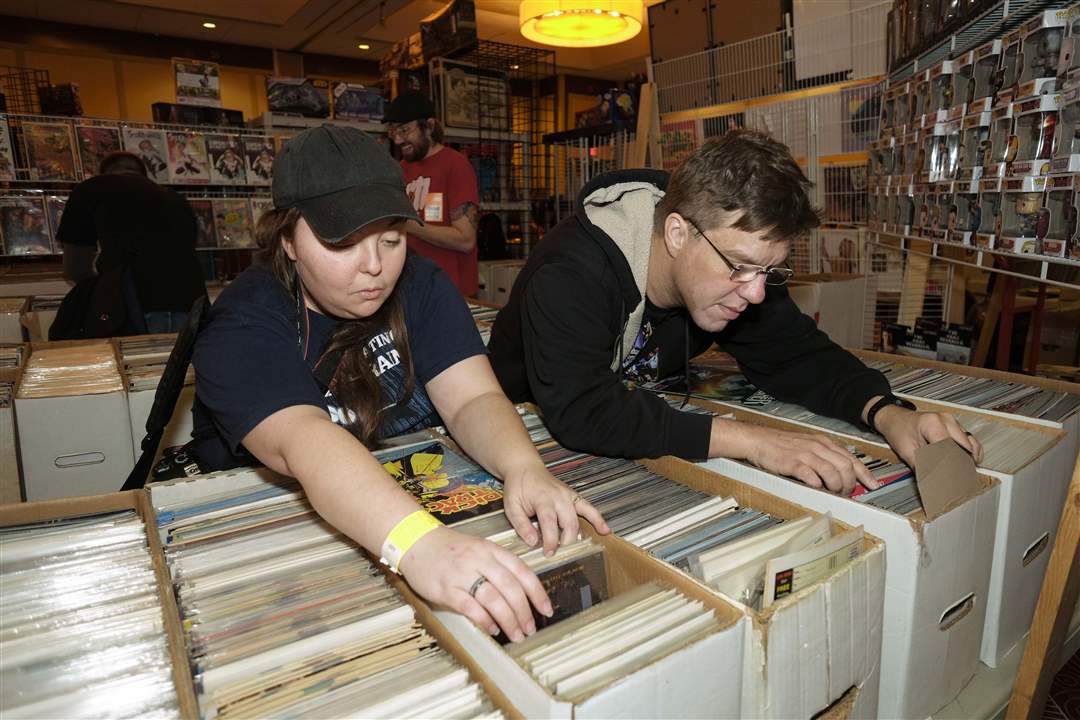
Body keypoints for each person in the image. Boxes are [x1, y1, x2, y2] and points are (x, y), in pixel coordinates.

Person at [185, 125, 608, 642]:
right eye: (343, 244)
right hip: (283, 530)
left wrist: (523, 468)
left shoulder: (422, 284)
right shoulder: (245, 322)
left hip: (395, 499)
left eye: (391, 239)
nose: (375, 267)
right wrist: (419, 544)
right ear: (288, 240)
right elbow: (308, 444)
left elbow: (472, 396)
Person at [488, 129, 983, 496]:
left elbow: (796, 355)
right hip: (520, 429)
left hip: (633, 426)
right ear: (679, 234)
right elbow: (583, 411)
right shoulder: (573, 270)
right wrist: (753, 441)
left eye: (769, 272)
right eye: (741, 268)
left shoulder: (737, 266)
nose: (755, 294)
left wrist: (887, 412)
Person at [57, 151, 206, 333]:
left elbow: (75, 268)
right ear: (144, 175)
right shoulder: (176, 199)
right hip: (192, 305)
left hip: (133, 305)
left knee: (144, 361)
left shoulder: (90, 189)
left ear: (104, 174)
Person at [385, 91, 481, 297]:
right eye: (393, 132)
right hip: (413, 292)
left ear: (429, 126)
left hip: (452, 295)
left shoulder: (456, 165)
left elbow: (465, 240)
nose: (398, 140)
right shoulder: (401, 169)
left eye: (405, 130)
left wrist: (409, 224)